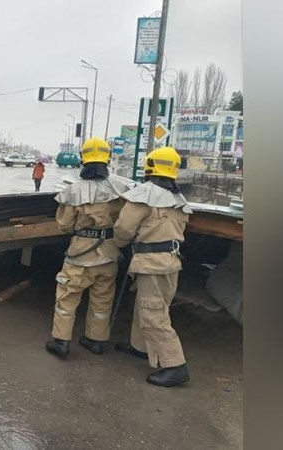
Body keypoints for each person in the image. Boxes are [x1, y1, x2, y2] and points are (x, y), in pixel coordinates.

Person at [44, 137, 135, 359]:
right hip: (110, 253)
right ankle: (96, 340)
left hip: (80, 255)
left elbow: (64, 225)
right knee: (102, 299)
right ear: (107, 159)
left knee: (67, 297)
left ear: (83, 159)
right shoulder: (121, 188)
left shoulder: (74, 191)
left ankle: (62, 341)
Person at [113, 146, 192, 388]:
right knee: (148, 307)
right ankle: (141, 347)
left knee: (153, 313)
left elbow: (123, 229)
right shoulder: (179, 200)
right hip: (170, 263)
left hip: (151, 264)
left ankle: (175, 365)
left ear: (150, 165)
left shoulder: (143, 196)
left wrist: (119, 245)